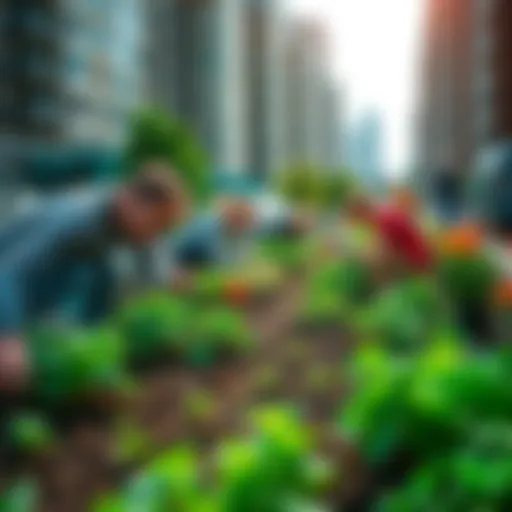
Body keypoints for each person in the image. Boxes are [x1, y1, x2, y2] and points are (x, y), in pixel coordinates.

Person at [0, 162, 188, 394]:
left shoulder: (107, 234)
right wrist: (8, 337)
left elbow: (101, 297)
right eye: (157, 224)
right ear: (132, 202)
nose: (154, 237)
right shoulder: (76, 218)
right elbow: (9, 272)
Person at [169, 198, 309, 287]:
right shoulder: (205, 232)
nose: (245, 227)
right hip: (188, 275)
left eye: (246, 222)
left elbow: (274, 227)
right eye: (240, 222)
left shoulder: (248, 228)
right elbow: (181, 260)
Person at [344, 193, 435, 283]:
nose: (358, 223)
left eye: (356, 218)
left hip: (417, 265)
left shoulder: (384, 219)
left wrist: (364, 258)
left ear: (360, 212)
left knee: (374, 264)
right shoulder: (381, 214)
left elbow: (386, 252)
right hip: (415, 259)